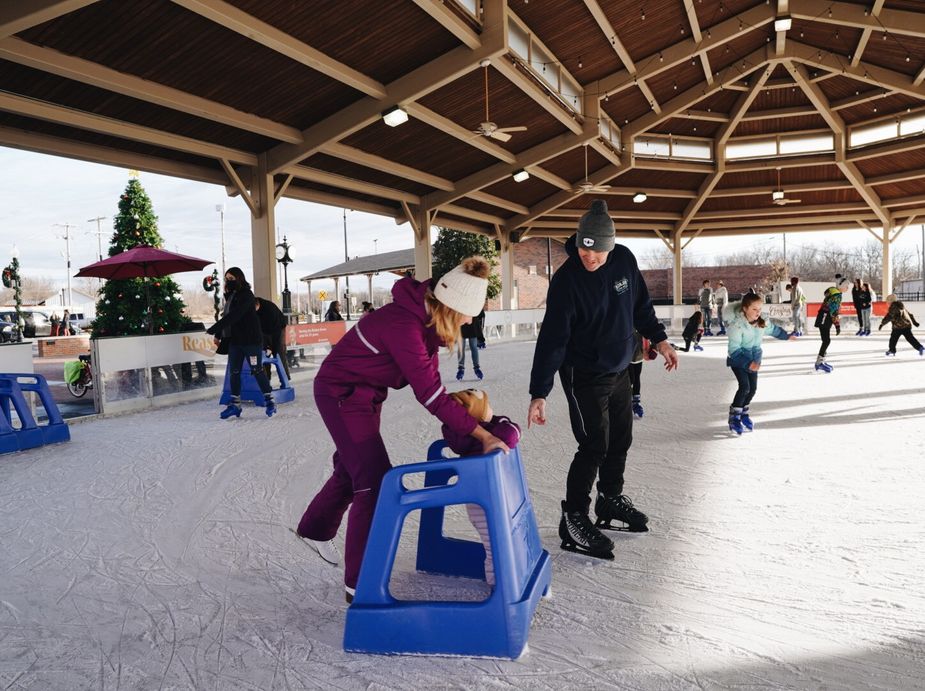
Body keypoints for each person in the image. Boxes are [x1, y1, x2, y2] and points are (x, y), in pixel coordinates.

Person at [296, 256, 509, 603]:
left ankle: (314, 528)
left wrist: (467, 415)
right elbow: (430, 395)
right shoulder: (404, 327)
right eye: (469, 314)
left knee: (353, 466)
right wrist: (483, 435)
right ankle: (359, 586)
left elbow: (434, 387)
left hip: (366, 396)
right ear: (453, 308)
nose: (470, 321)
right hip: (341, 394)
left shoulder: (422, 323)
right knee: (374, 481)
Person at [527, 200, 679, 559]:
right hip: (584, 373)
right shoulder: (566, 282)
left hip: (620, 366)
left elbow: (640, 305)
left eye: (597, 252)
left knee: (620, 438)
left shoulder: (624, 260)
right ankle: (574, 516)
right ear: (578, 240)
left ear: (610, 246)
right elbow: (552, 340)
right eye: (583, 248)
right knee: (594, 444)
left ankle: (609, 500)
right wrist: (539, 392)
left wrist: (660, 339)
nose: (589, 258)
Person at [441, 388, 521, 586]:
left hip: (477, 501)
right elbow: (513, 433)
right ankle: (498, 586)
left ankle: (500, 581)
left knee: (493, 543)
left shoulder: (464, 439)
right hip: (492, 500)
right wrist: (495, 421)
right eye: (488, 405)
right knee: (496, 545)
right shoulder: (491, 435)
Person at [205, 267, 277, 419]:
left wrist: (214, 329)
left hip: (251, 341)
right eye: (226, 279)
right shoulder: (231, 297)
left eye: (231, 278)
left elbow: (234, 316)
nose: (228, 282)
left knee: (256, 370)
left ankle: (270, 401)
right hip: (236, 341)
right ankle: (235, 405)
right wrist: (218, 334)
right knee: (234, 372)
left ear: (239, 278)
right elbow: (226, 315)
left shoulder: (247, 295)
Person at [724, 294, 796, 435]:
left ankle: (744, 412)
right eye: (754, 309)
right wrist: (748, 363)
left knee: (752, 389)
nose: (758, 312)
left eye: (760, 309)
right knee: (744, 387)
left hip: (754, 360)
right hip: (739, 360)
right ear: (745, 309)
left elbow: (773, 330)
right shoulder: (737, 325)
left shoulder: (761, 321)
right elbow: (734, 350)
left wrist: (786, 336)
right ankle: (734, 416)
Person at [255, 297, 290, 380]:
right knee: (264, 354)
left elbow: (277, 330)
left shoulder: (270, 309)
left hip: (278, 329)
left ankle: (285, 378)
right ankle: (266, 379)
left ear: (257, 305)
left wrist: (273, 347)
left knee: (278, 353)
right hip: (264, 331)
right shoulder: (253, 310)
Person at [813, 285, 843, 373]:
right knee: (826, 341)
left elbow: (833, 310)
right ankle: (819, 363)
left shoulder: (832, 294)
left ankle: (821, 361)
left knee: (825, 340)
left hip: (823, 316)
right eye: (847, 286)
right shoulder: (837, 295)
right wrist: (837, 325)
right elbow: (833, 311)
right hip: (825, 318)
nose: (847, 288)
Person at [456, 305, 486, 381]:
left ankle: (477, 368)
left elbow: (481, 316)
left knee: (473, 346)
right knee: (460, 347)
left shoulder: (473, 298)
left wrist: (480, 338)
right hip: (461, 322)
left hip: (472, 324)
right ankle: (461, 368)